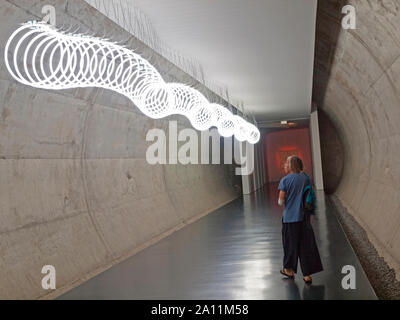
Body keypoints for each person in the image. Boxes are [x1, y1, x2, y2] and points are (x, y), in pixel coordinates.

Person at [278, 156, 323, 284]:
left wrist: (288, 199)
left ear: (291, 165)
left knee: (290, 245)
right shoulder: (306, 178)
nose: (284, 165)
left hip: (289, 219)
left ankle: (289, 270)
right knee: (306, 245)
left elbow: (280, 201)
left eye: (286, 163)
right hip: (304, 218)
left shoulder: (285, 180)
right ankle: (307, 275)